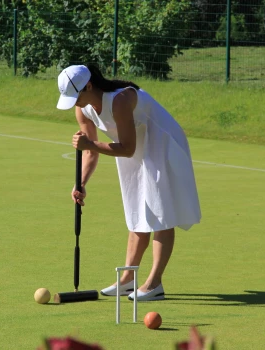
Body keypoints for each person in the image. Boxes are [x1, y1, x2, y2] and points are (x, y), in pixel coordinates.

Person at [56, 64, 201, 301]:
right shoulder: (82, 109)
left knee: (160, 212)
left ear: (89, 85)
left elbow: (125, 147)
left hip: (161, 143)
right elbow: (91, 152)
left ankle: (154, 283)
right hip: (133, 147)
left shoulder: (120, 100)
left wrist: (90, 145)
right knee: (136, 208)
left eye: (76, 96)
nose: (74, 103)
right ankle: (128, 279)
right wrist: (81, 183)